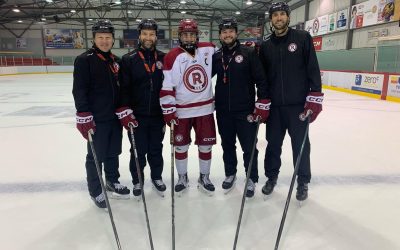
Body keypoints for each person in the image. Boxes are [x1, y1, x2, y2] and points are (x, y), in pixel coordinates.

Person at [258, 2, 324, 201]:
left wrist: (314, 99)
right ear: (271, 19)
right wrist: (262, 101)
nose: (279, 18)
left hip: (298, 107)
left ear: (288, 17)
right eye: (275, 15)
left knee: (301, 146)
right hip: (276, 108)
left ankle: (302, 182)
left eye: (282, 14)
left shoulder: (302, 38)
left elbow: (313, 68)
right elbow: (262, 78)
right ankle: (271, 177)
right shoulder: (266, 46)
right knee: (273, 145)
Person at [72, 19, 130, 209]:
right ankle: (96, 191)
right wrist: (83, 113)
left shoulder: (116, 61)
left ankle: (112, 181)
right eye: (100, 37)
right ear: (94, 39)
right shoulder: (85, 60)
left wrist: (123, 107)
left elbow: (121, 89)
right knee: (96, 156)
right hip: (97, 119)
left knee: (113, 152)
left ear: (113, 39)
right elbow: (79, 89)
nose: (104, 41)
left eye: (107, 37)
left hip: (114, 118)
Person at [212, 17, 269, 198]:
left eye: (230, 31)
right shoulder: (216, 56)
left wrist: (262, 102)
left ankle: (251, 178)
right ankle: (231, 174)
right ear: (220, 35)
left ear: (236, 33)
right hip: (223, 111)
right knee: (227, 145)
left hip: (245, 111)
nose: (227, 35)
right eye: (224, 32)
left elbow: (261, 79)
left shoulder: (248, 53)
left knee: (249, 147)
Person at [160, 18, 216, 196]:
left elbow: (228, 53)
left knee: (205, 147)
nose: (189, 38)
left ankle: (204, 177)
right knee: (181, 147)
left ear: (197, 35)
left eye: (192, 34)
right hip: (182, 112)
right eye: (186, 34)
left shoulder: (209, 49)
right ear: (180, 36)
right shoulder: (172, 56)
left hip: (205, 110)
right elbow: (167, 86)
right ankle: (182, 177)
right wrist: (169, 111)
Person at [119, 19, 166, 199]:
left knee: (156, 148)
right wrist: (126, 112)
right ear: (139, 36)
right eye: (145, 34)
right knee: (137, 150)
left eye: (151, 34)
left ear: (156, 36)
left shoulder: (163, 58)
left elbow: (170, 86)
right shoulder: (129, 59)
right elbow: (124, 89)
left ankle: (156, 177)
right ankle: (137, 180)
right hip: (137, 115)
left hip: (158, 115)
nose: (148, 37)